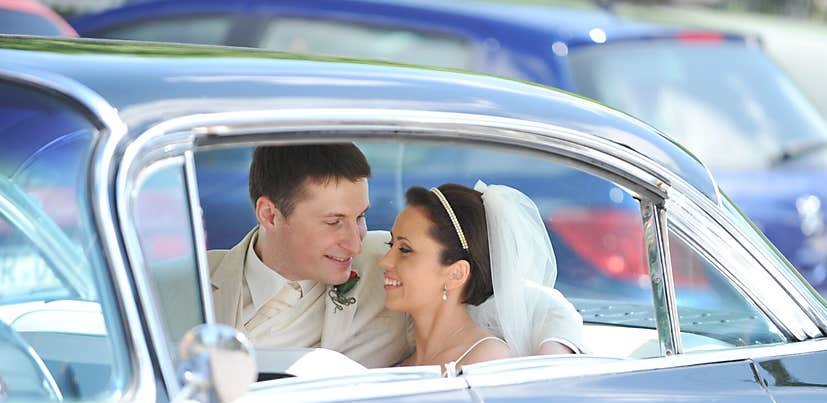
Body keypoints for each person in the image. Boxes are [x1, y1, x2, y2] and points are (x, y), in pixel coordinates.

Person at [208, 143, 584, 371]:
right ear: (270, 215)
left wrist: (552, 367)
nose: (356, 244)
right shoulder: (187, 279)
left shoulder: (382, 262)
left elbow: (530, 301)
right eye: (334, 222)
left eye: (361, 217)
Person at [380, 182, 585, 377]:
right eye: (391, 245)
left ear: (456, 274)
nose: (385, 261)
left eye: (405, 250)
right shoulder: (398, 362)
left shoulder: (487, 362)